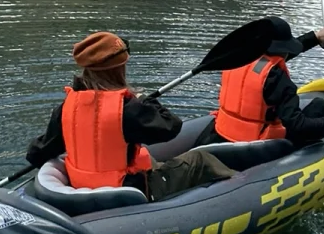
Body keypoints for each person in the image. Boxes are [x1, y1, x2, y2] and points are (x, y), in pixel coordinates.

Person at [25, 31, 236, 201]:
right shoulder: (128, 109)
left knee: (146, 156)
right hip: (127, 189)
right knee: (201, 159)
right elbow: (172, 126)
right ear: (119, 70)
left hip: (81, 187)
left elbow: (36, 154)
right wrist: (145, 99)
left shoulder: (66, 107)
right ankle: (242, 189)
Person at [198, 16, 324, 148]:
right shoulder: (278, 80)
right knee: (320, 105)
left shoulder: (237, 59)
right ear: (282, 49)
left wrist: (314, 38)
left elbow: (271, 62)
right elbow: (297, 126)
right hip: (256, 145)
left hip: (223, 132)